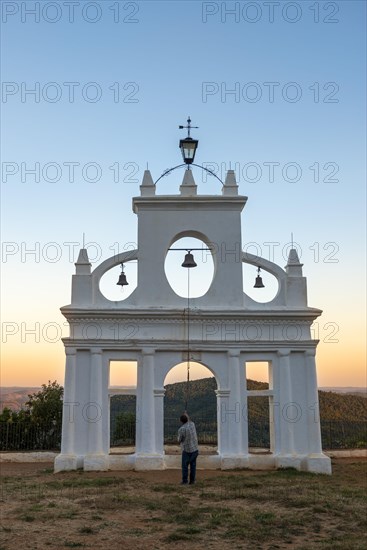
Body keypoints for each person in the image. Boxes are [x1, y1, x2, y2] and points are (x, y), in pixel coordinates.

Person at [177, 412, 199, 485]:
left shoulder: (181, 429)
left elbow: (179, 440)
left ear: (181, 421)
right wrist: (186, 414)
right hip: (195, 449)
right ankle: (192, 481)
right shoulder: (192, 424)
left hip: (186, 450)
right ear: (187, 419)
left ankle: (185, 481)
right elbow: (189, 420)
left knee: (185, 466)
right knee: (193, 465)